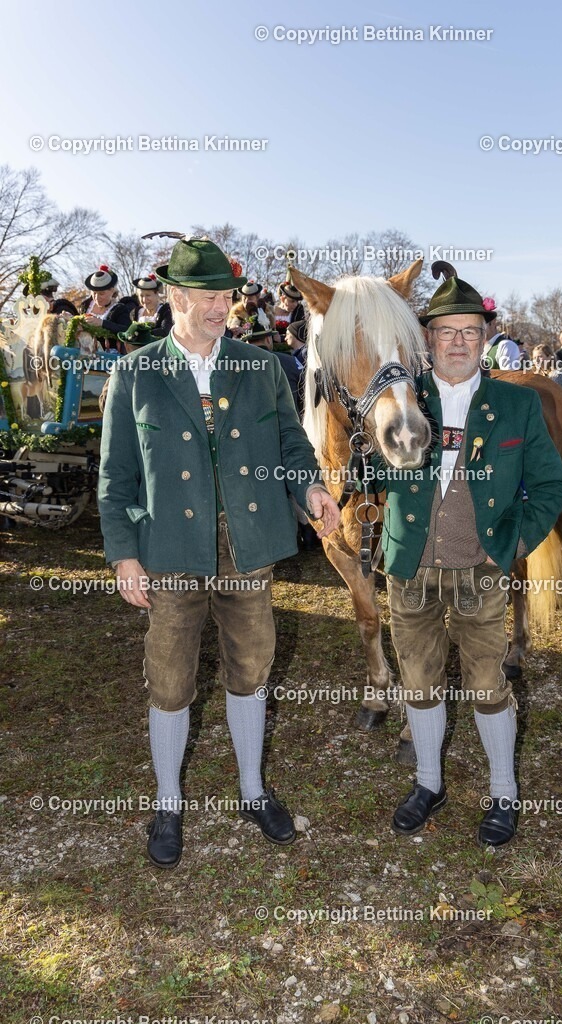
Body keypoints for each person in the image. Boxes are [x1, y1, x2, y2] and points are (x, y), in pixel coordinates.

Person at [98, 238, 340, 869]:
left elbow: (292, 444)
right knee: (172, 678)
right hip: (169, 551)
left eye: (226, 296)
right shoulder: (135, 373)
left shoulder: (260, 368)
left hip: (246, 547)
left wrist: (309, 486)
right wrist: (124, 554)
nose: (220, 307)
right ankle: (169, 800)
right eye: (206, 296)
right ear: (174, 298)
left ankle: (253, 790)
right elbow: (116, 474)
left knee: (252, 667)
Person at [379, 271, 562, 846]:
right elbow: (368, 469)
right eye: (445, 331)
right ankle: (429, 780)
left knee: (488, 685)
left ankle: (504, 790)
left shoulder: (516, 404)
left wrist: (511, 545)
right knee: (418, 680)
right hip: (409, 566)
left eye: (470, 330)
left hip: (482, 571)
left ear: (485, 336)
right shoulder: (402, 397)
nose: (458, 341)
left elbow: (552, 485)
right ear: (428, 338)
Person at [80, 265, 135, 346]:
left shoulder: (119, 309)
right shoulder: (86, 305)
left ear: (112, 291)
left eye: (101, 293)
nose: (97, 297)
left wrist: (102, 323)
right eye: (94, 293)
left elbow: (127, 331)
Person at [482, 301, 521, 370]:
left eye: (482, 324)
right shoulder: (477, 349)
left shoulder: (505, 346)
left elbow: (509, 378)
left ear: (493, 322)